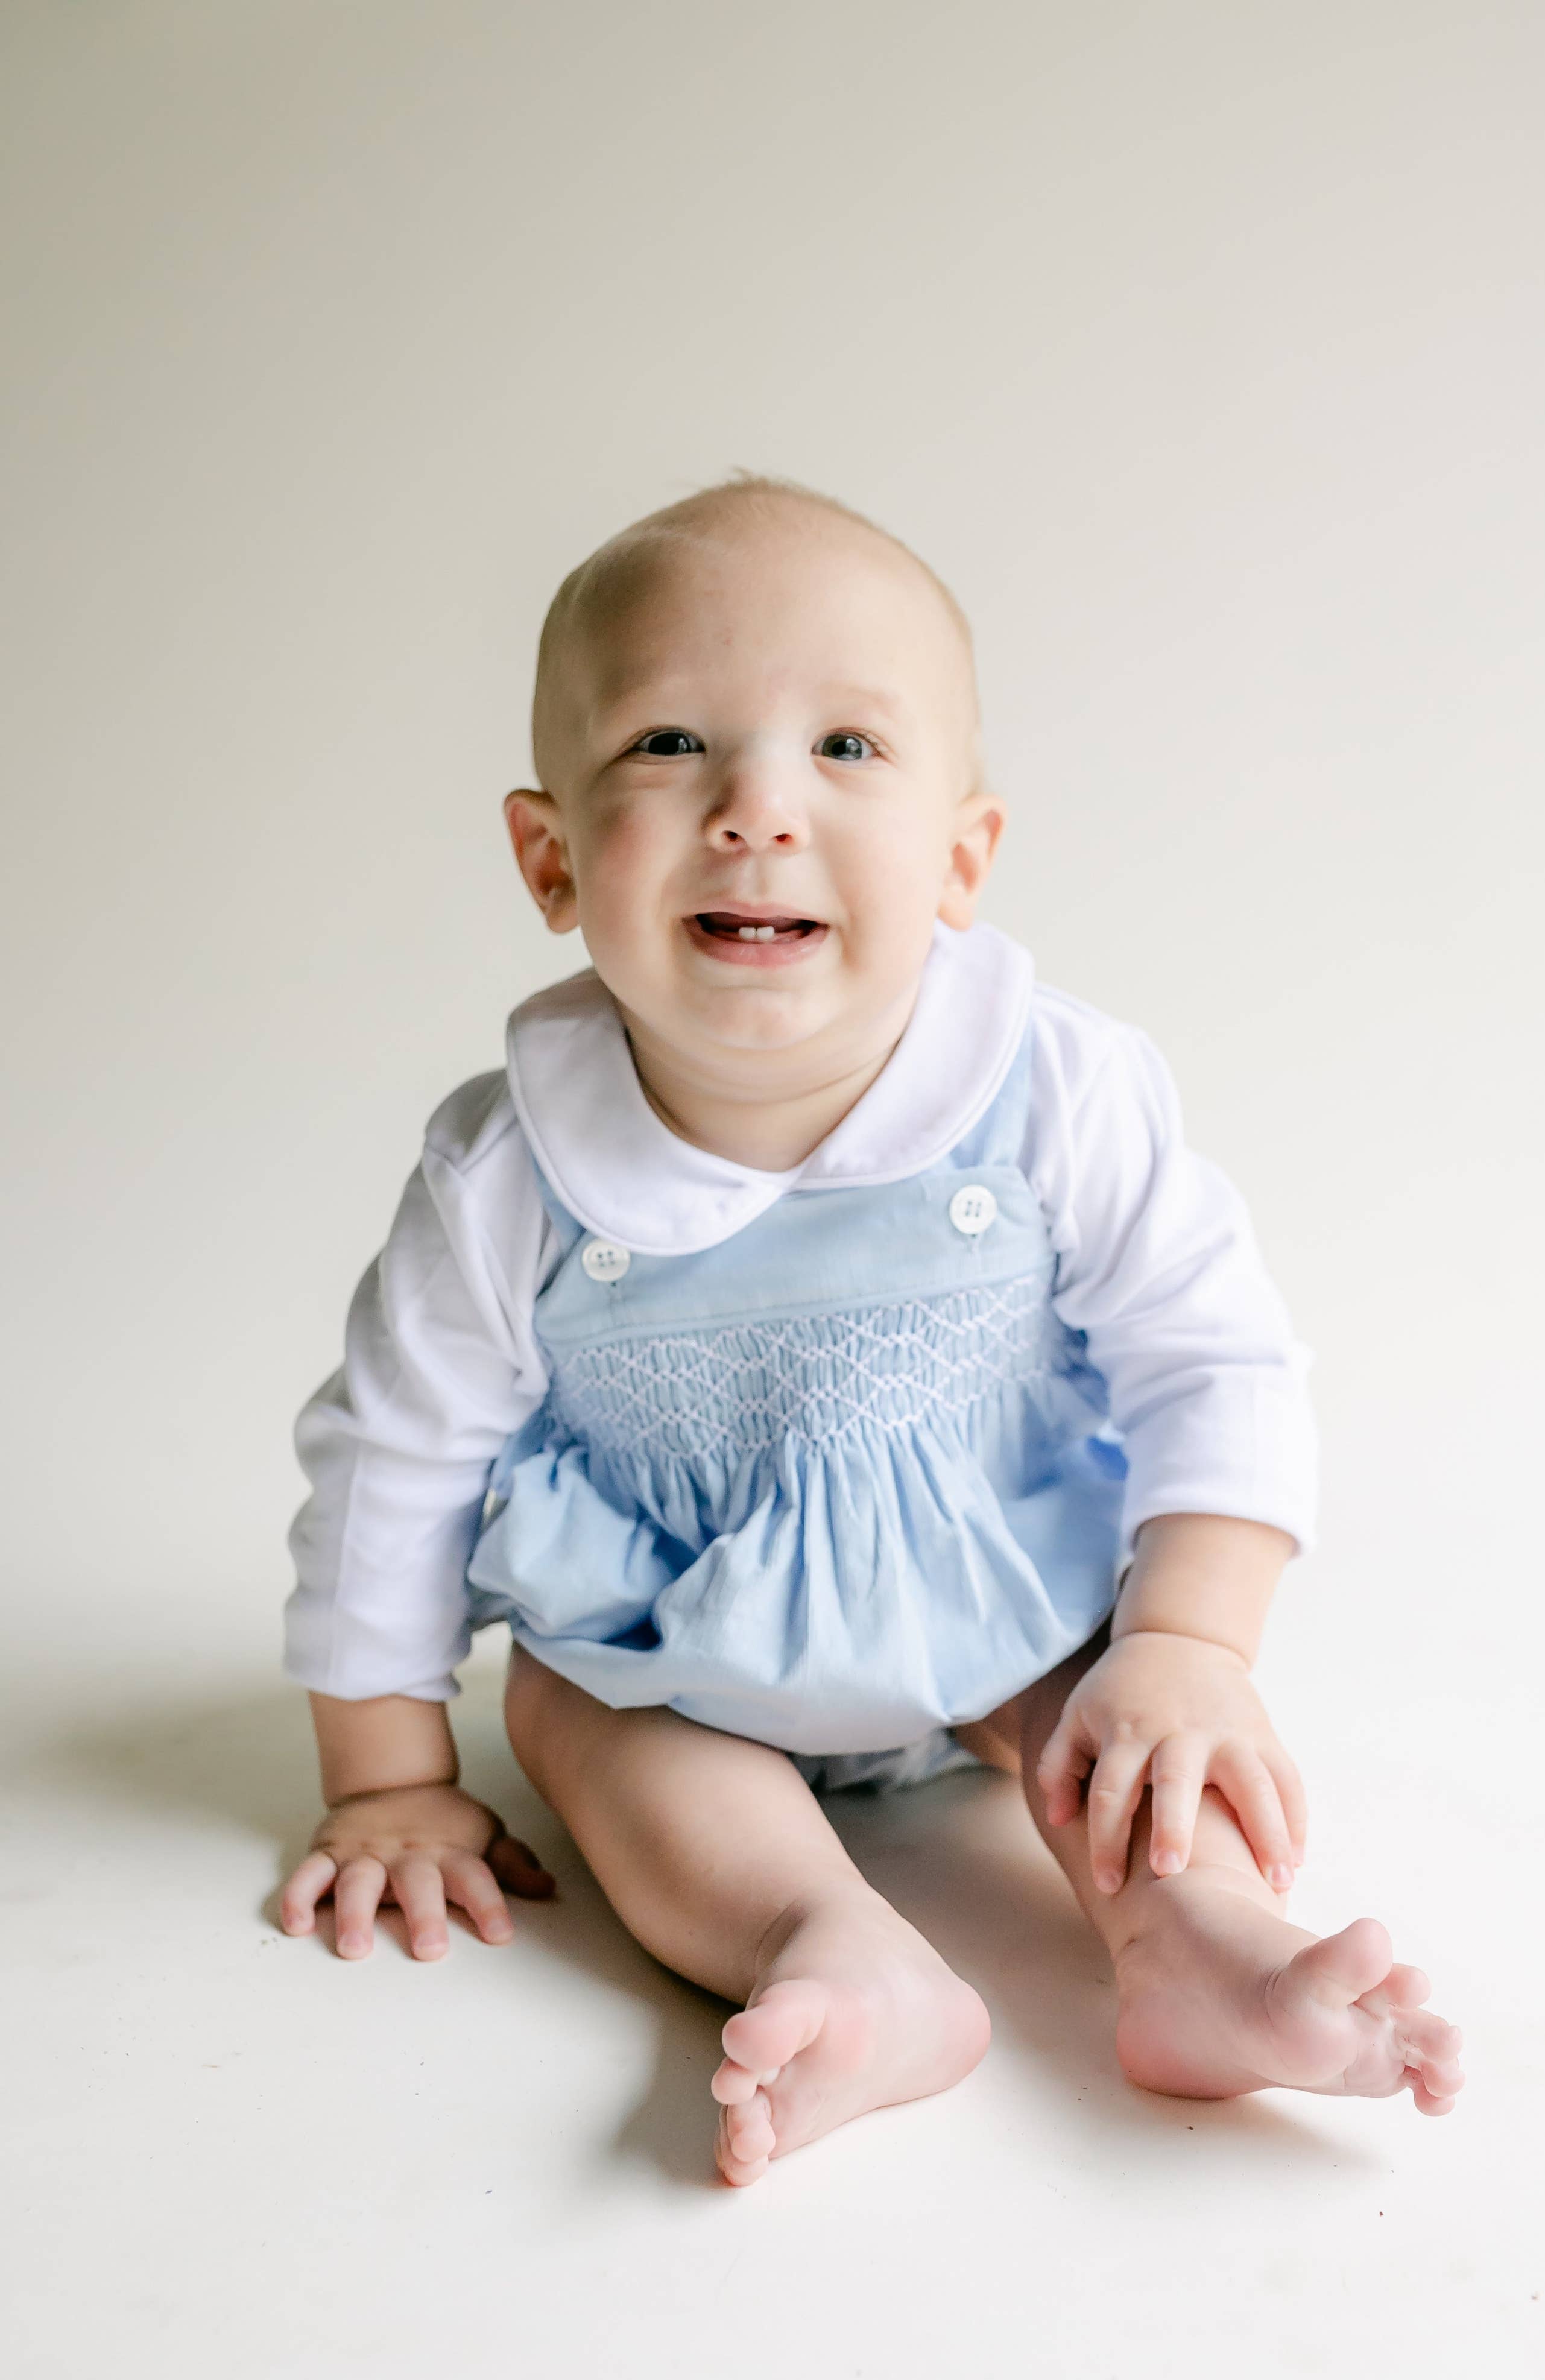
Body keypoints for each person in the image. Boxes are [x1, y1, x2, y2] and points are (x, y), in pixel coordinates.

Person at [280, 475, 1464, 2183]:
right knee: (573, 1724)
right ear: (549, 858)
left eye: (846, 749)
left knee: (1127, 1732)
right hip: (664, 1641)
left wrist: (1192, 1640)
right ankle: (832, 1953)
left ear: (964, 857)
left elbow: (1216, 1361)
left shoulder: (1058, 1086)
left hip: (1017, 1600)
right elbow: (395, 1453)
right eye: (671, 745)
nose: (760, 807)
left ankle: (1199, 1945)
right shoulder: (510, 1167)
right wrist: (387, 1773)